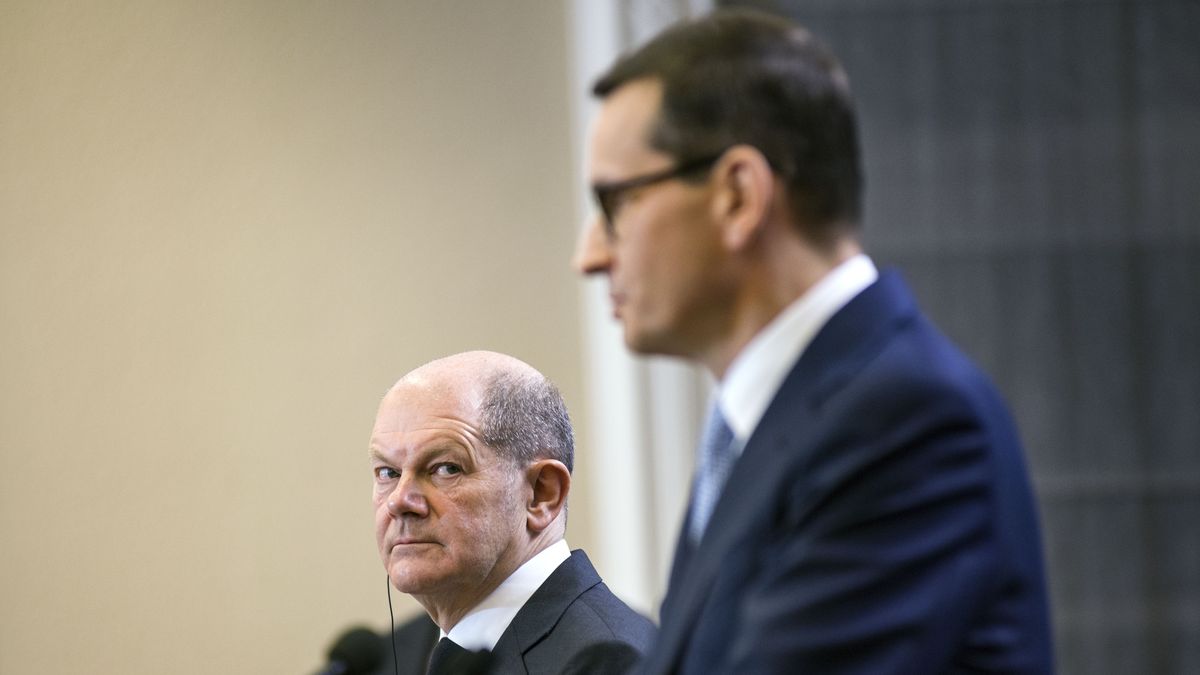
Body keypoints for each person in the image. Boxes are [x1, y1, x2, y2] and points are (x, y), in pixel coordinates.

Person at [574, 9, 1053, 674]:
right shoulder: (764, 427)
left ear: (738, 196)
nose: (590, 255)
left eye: (615, 204)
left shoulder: (906, 420)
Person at [369, 351, 654, 674]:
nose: (399, 501)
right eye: (388, 473)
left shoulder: (608, 662)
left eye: (446, 468)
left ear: (541, 494)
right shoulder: (408, 656)